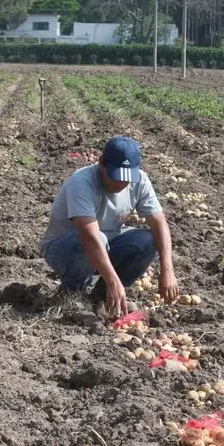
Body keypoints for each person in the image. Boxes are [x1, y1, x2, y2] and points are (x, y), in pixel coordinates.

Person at [40, 136, 179, 317]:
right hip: (64, 249)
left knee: (148, 241)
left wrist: (168, 270)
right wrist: (114, 280)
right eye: (116, 176)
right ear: (101, 163)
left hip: (104, 245)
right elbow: (89, 235)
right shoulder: (82, 182)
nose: (120, 184)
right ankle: (72, 293)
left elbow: (159, 222)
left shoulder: (141, 181)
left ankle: (102, 296)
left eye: (126, 178)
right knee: (97, 238)